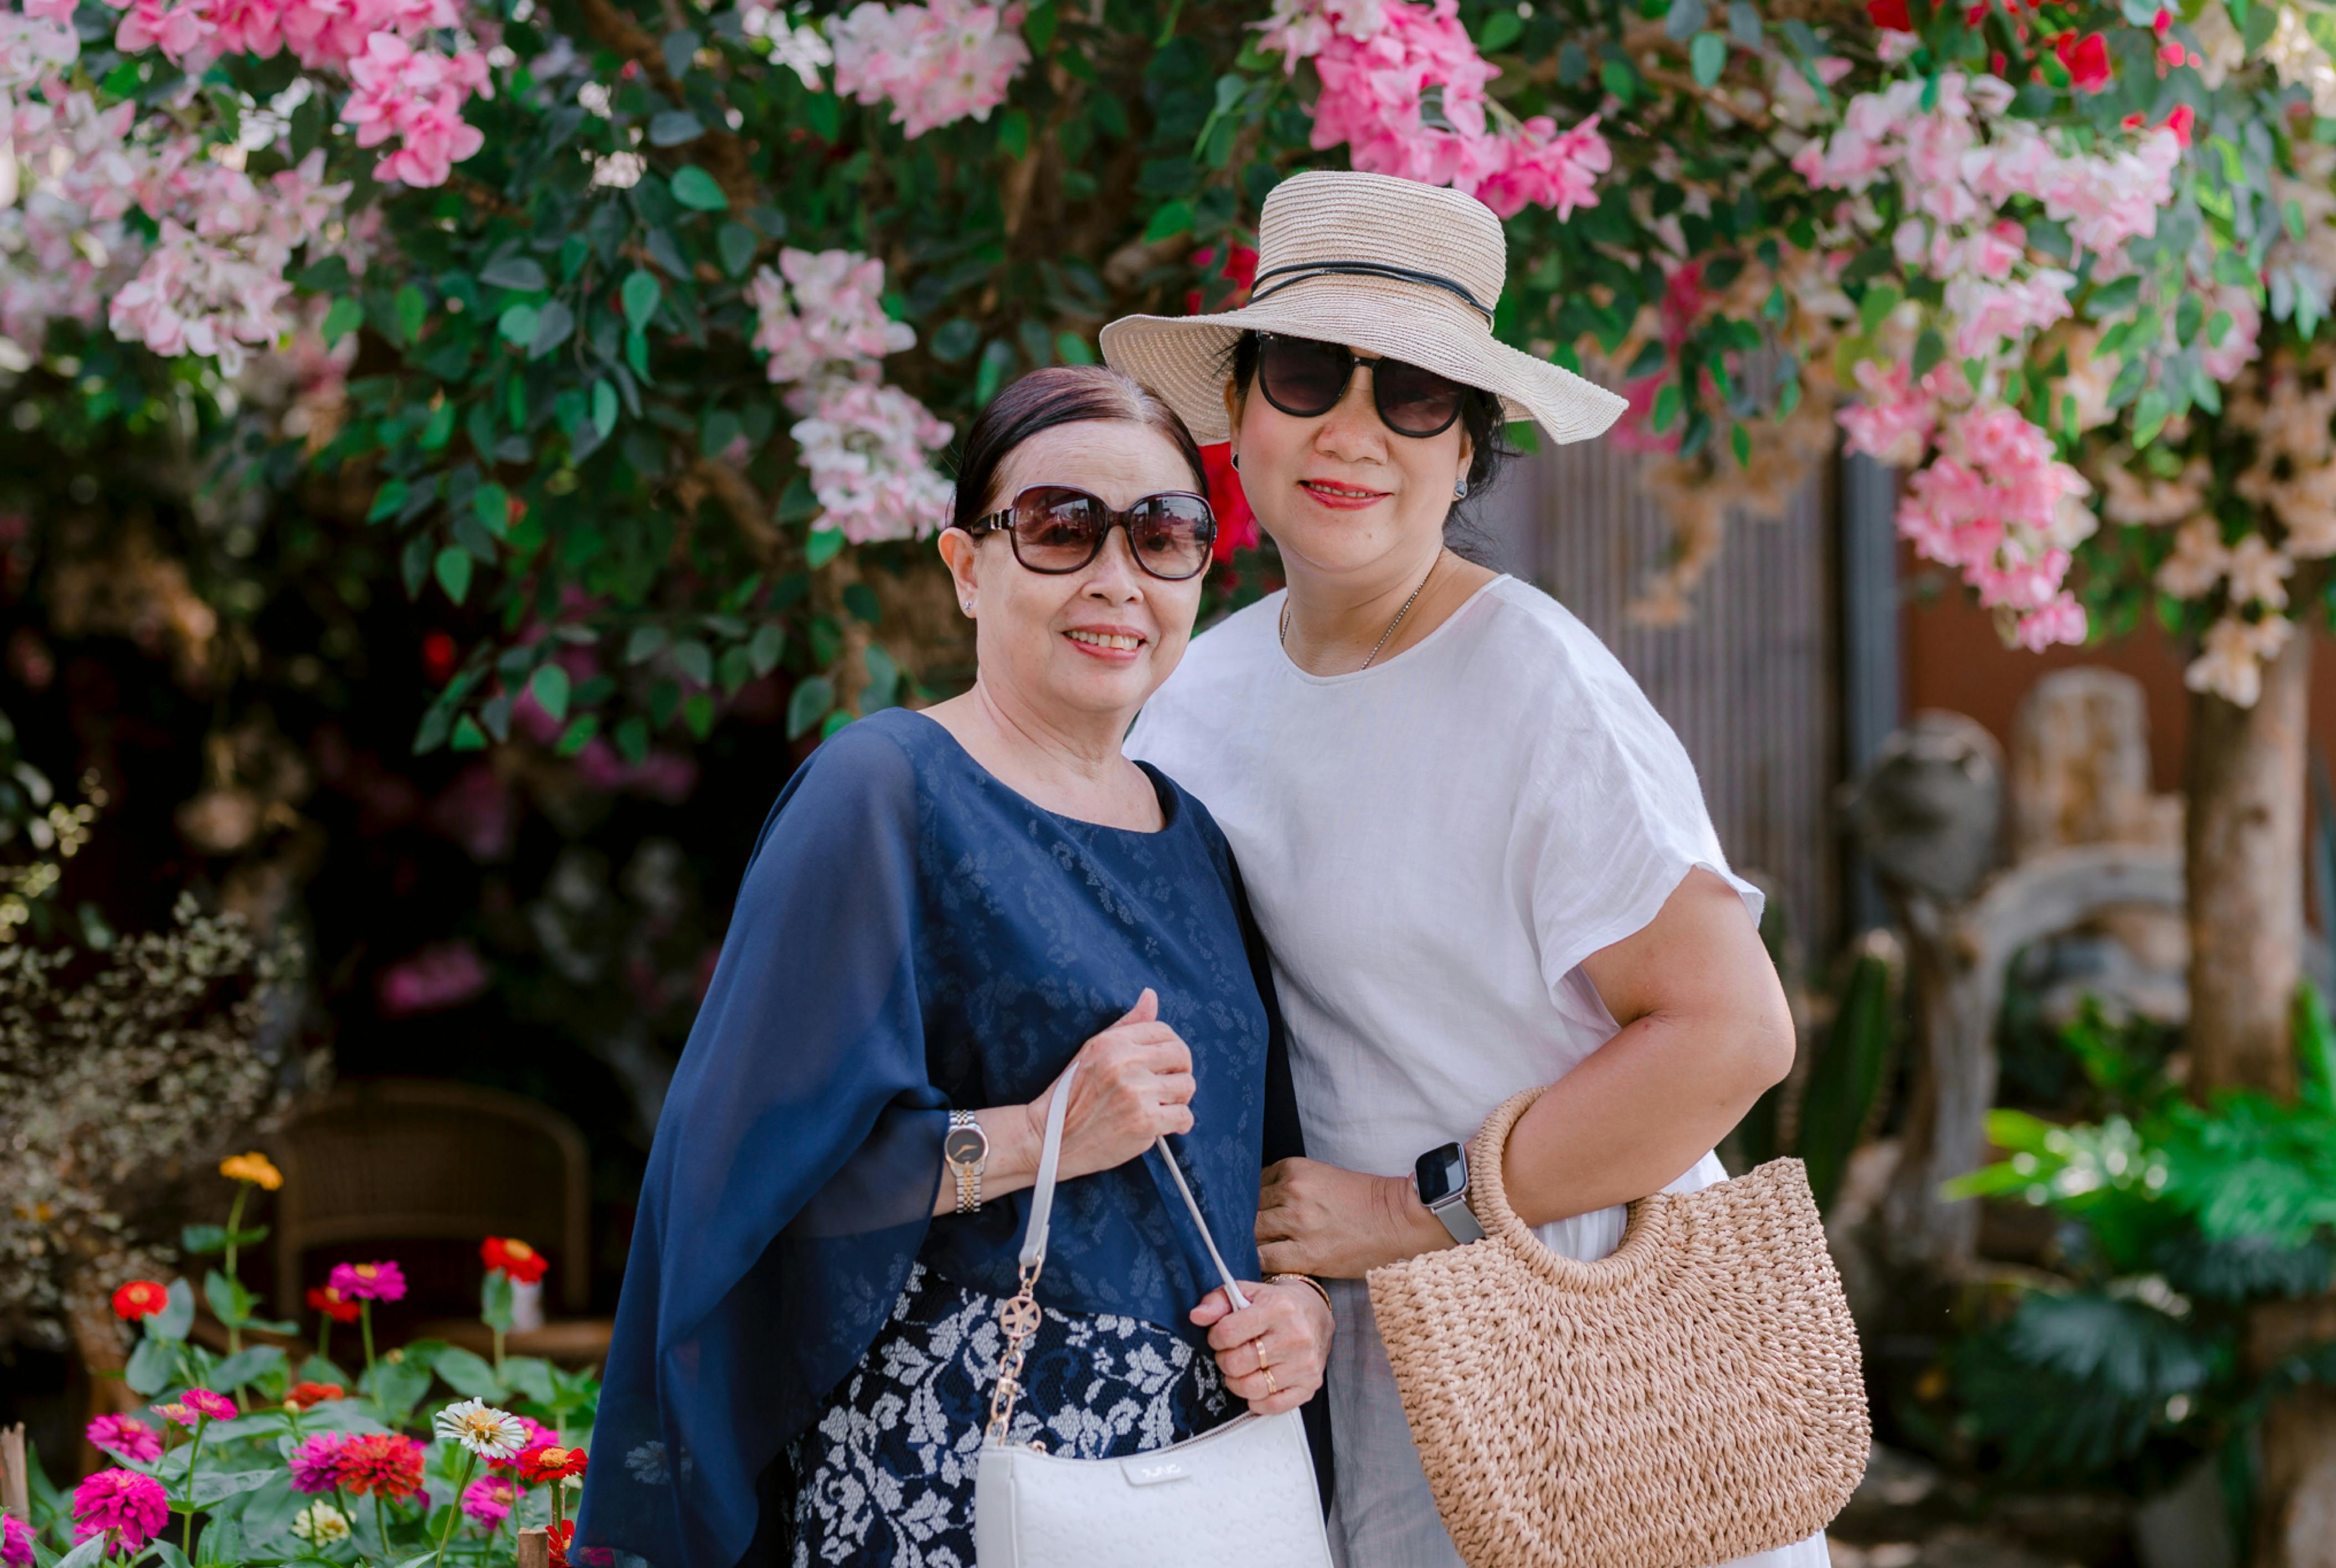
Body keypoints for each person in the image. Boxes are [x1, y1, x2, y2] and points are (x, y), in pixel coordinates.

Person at [1104, 171, 1817, 1567]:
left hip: (1599, 1354)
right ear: (1240, 408)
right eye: (1310, 374)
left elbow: (1733, 1036)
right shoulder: (1195, 694)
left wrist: (1401, 1210)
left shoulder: (1535, 682)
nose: (1352, 432)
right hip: (1368, 1372)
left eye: (1415, 394)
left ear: (1468, 445)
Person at [575, 366, 1334, 1568]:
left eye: (1164, 535)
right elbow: (746, 1177)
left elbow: (1262, 1183)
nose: (1115, 577)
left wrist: (1302, 1316)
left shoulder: (1196, 842)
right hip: (952, 1474)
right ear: (967, 567)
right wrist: (1038, 1137)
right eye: (1059, 526)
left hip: (1199, 1481)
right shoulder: (881, 792)